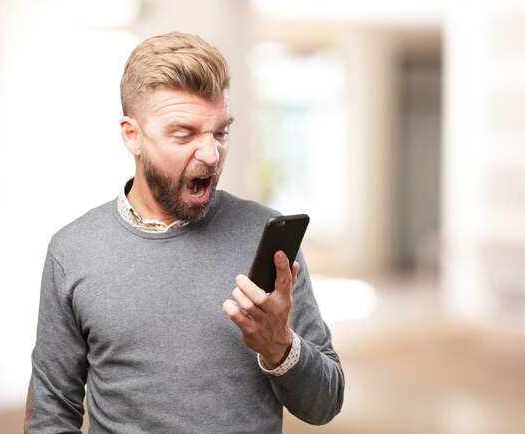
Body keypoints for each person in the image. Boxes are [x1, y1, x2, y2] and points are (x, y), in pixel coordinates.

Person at [24, 32, 344, 433]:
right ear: (132, 135)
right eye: (184, 134)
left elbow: (326, 403)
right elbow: (51, 414)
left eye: (220, 133)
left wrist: (279, 346)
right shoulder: (73, 252)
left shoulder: (268, 243)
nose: (210, 155)